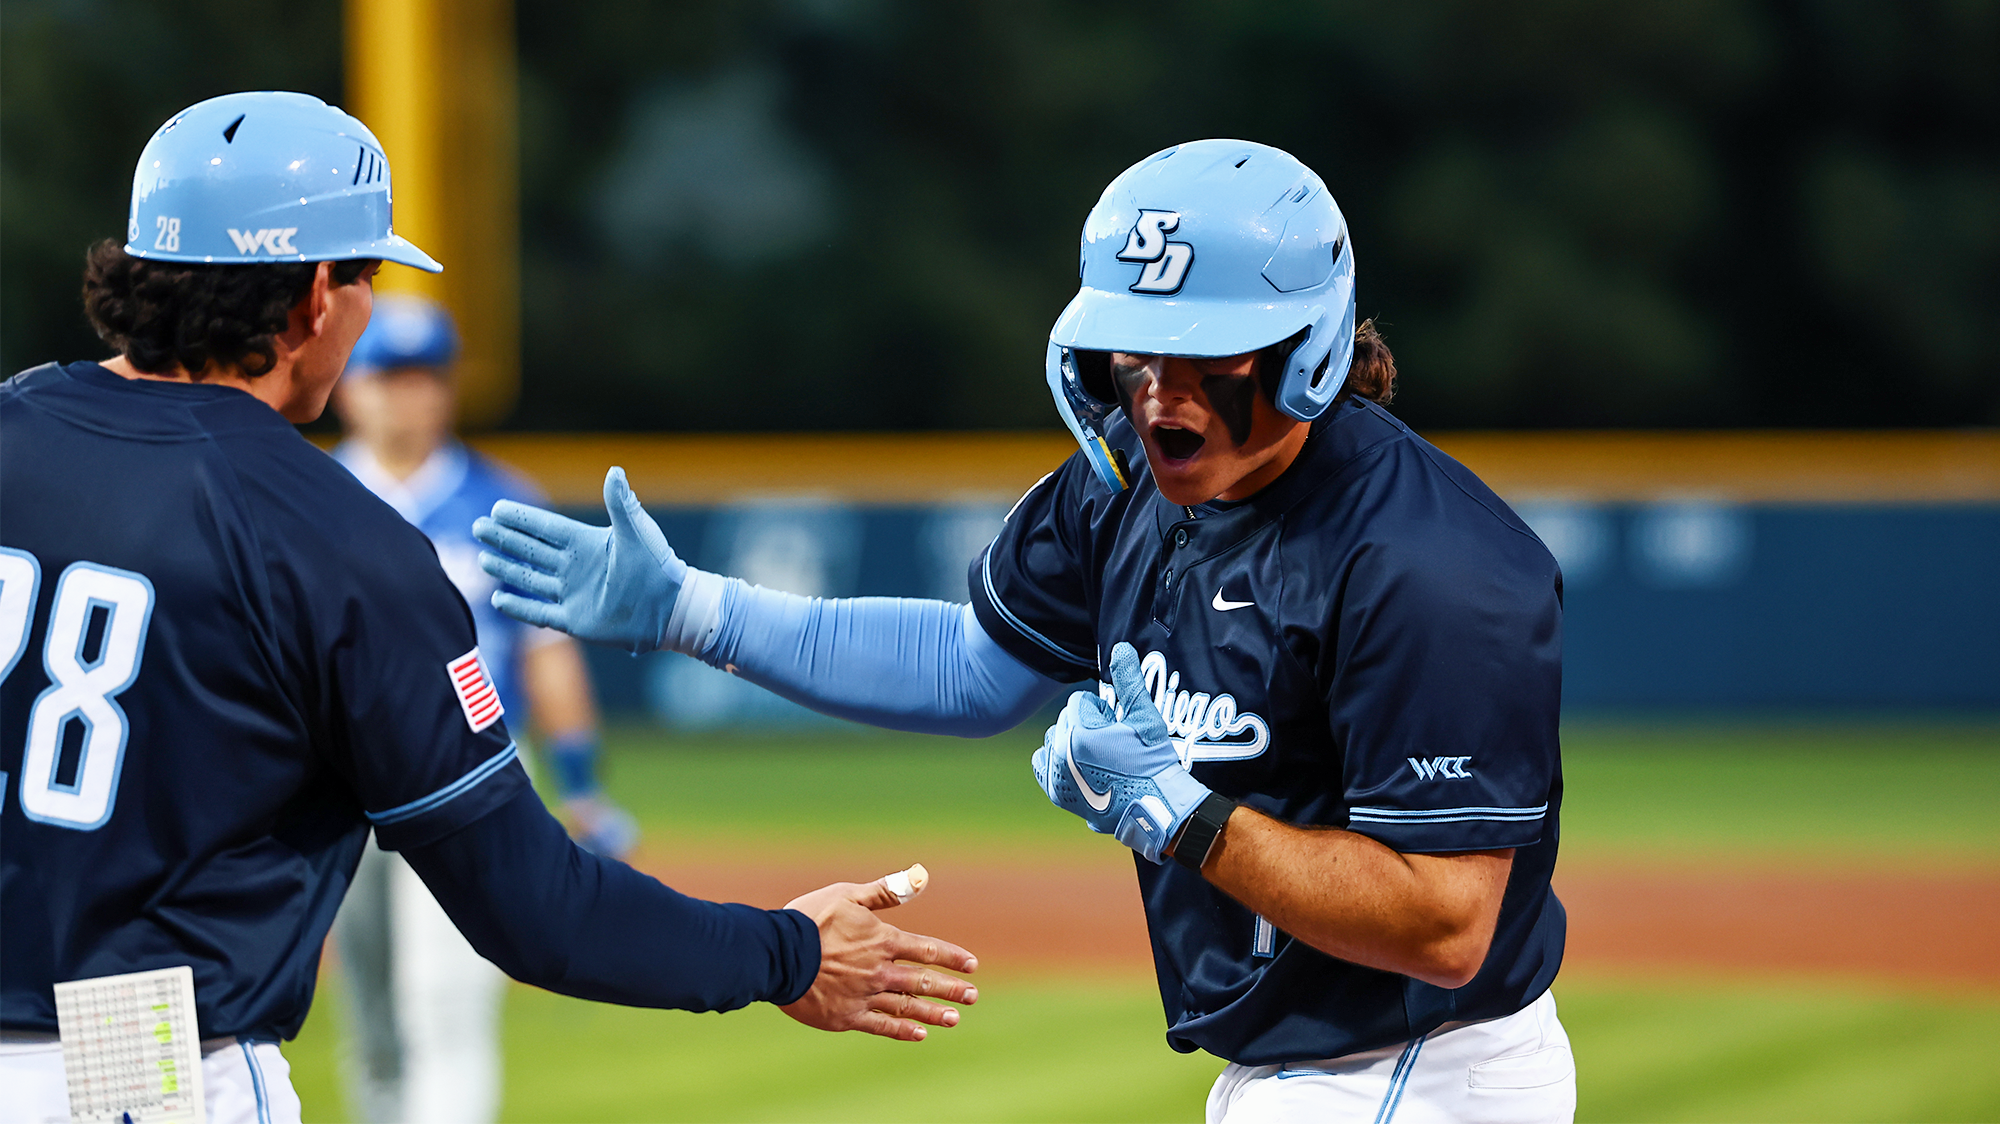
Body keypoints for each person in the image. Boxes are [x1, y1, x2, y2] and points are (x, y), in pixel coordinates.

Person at [475, 139, 1572, 1123]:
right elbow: (966, 668)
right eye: (1135, 352)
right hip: (1306, 1062)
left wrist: (1186, 821)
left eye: (1207, 356)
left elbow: (1444, 923)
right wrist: (693, 610)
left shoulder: (1429, 566)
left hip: (1420, 1068)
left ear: (1307, 350)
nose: (1157, 394)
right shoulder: (1124, 484)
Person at [0, 92, 974, 1124]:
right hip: (130, 1057)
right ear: (316, 295)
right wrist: (790, 950)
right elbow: (534, 907)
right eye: (368, 276)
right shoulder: (337, 539)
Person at [326, 294, 640, 1123]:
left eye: (426, 375)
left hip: (472, 776)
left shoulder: (502, 502)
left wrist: (581, 785)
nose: (409, 395)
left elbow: (548, 654)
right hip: (335, 783)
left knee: (447, 1003)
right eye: (389, 376)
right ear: (350, 386)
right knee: (374, 1013)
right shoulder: (311, 496)